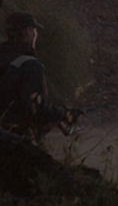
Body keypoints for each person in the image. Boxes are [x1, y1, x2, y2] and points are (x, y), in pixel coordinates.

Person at [0, 12, 83, 141]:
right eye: (34, 30)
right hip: (17, 144)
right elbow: (38, 111)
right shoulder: (30, 65)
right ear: (28, 32)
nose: (35, 35)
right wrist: (65, 114)